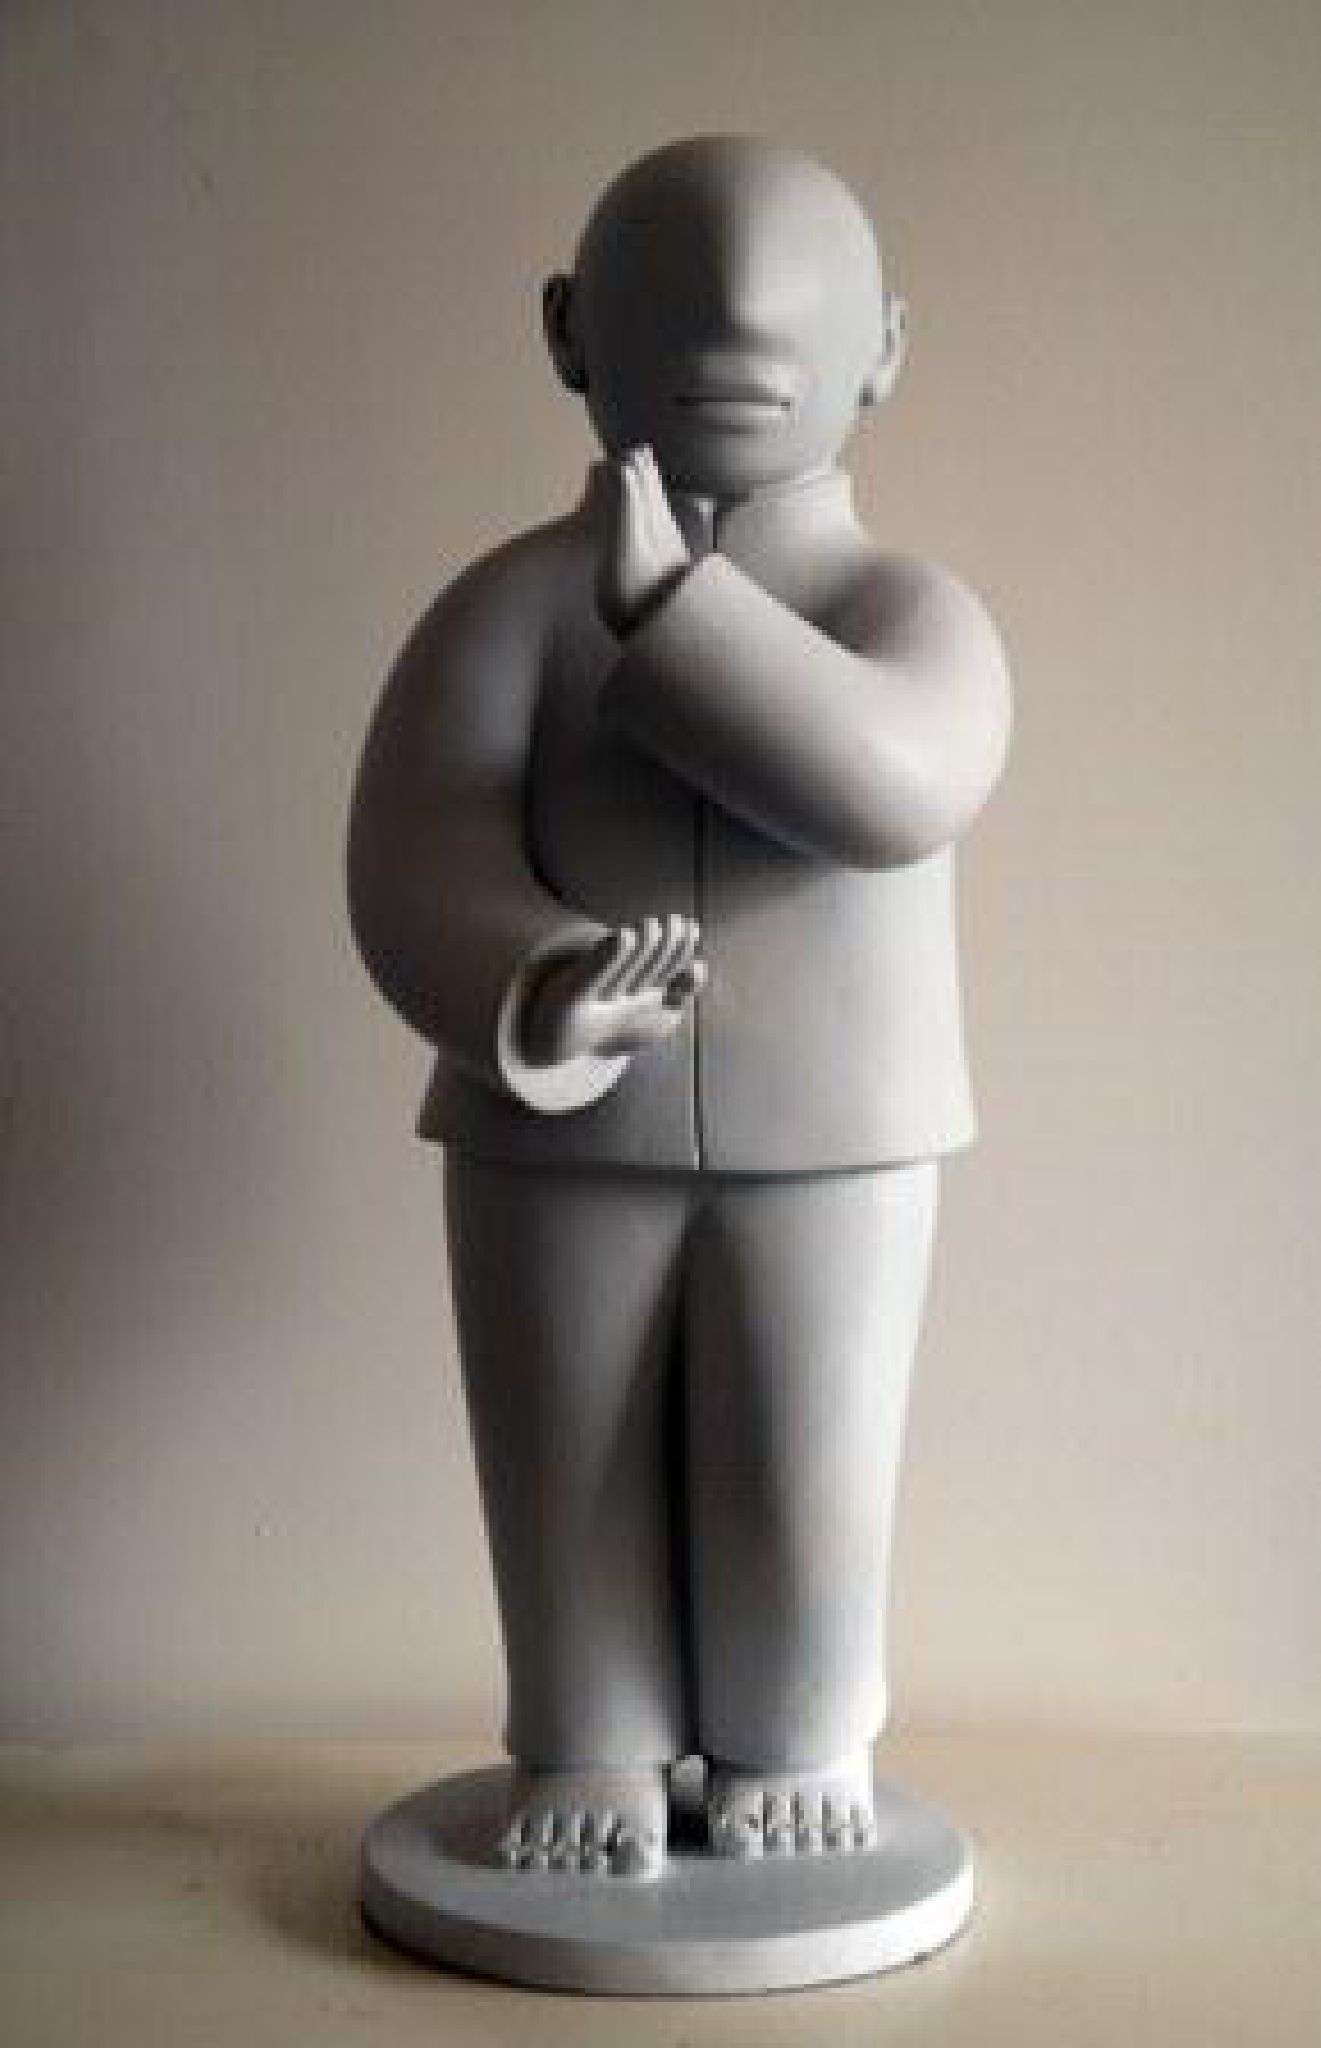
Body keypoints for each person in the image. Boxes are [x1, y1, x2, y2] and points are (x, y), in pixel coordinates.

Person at [348, 135, 1011, 1880]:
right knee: (563, 1448)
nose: (738, 317)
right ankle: (586, 1736)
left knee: (808, 1455)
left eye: (798, 289)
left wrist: (676, 620)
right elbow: (415, 845)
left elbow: (896, 781)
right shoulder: (507, 611)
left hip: (839, 1136)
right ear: (569, 331)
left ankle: (800, 1730)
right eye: (677, 282)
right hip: (554, 1123)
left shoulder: (905, 610)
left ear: (884, 349)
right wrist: (531, 979)